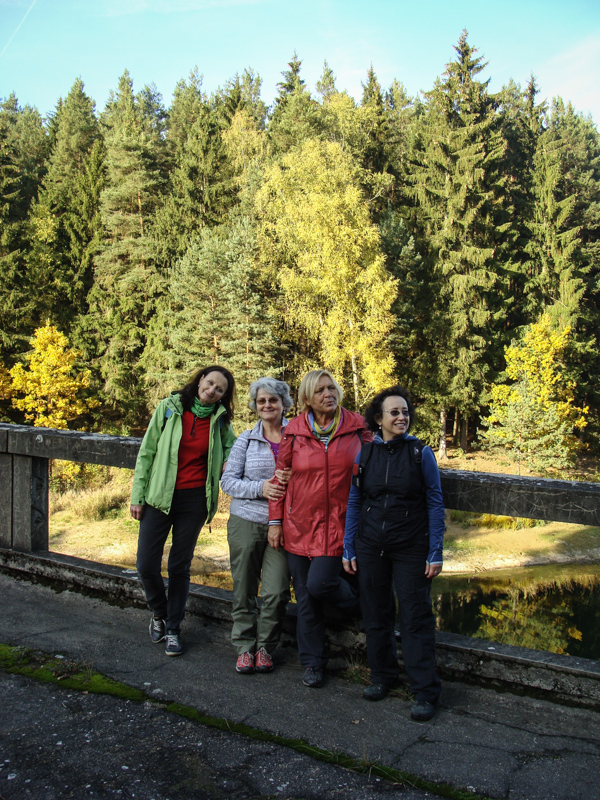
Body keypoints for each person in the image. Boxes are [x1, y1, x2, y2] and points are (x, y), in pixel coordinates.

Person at [342, 386, 445, 721]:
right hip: (370, 545)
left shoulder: (420, 453)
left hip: (411, 545)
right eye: (394, 412)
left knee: (415, 616)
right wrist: (349, 544)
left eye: (405, 412)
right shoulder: (365, 454)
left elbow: (434, 501)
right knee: (375, 613)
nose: (402, 417)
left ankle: (424, 691)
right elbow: (355, 501)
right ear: (378, 418)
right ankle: (383, 676)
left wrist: (435, 550)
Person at [268, 369, 371, 688]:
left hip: (341, 525)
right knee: (305, 597)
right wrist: (275, 521)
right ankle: (312, 663)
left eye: (332, 388)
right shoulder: (294, 432)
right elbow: (279, 478)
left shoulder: (358, 427)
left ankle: (362, 603)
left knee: (320, 584)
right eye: (320, 390)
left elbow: (376, 465)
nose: (329, 394)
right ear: (306, 399)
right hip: (299, 525)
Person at [130, 366, 236, 657]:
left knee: (179, 566)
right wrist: (137, 496)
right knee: (145, 565)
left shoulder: (219, 419)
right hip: (158, 497)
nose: (212, 390)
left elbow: (233, 447)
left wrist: (228, 461)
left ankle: (174, 628)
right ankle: (159, 613)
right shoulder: (170, 408)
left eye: (220, 389)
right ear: (200, 380)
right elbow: (147, 452)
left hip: (194, 501)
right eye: (210, 383)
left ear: (223, 396)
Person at [221, 378, 293, 675]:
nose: (267, 405)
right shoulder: (246, 440)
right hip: (246, 521)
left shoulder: (298, 435)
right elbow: (228, 482)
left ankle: (265, 647)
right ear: (255, 405)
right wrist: (260, 488)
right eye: (261, 401)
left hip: (285, 525)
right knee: (244, 589)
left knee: (277, 591)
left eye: (273, 400)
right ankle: (244, 647)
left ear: (284, 403)